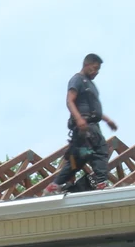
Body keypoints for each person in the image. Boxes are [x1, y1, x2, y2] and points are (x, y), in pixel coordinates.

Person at [46, 53, 117, 193]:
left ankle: (55, 185)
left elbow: (93, 110)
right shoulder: (77, 80)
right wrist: (79, 119)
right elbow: (70, 100)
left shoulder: (90, 84)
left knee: (78, 158)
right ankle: (101, 182)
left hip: (90, 126)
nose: (96, 72)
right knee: (100, 151)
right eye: (94, 68)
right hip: (86, 127)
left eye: (98, 70)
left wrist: (107, 120)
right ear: (87, 64)